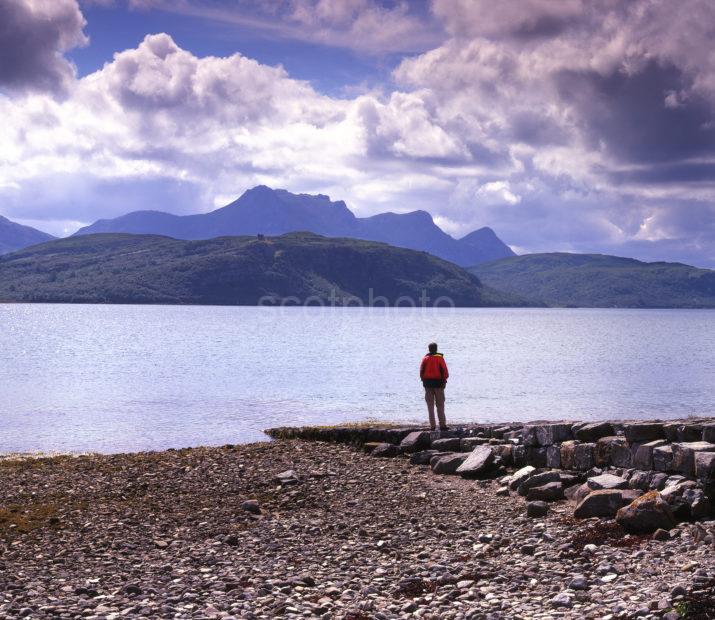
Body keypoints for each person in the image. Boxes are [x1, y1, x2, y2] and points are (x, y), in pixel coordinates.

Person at [420, 342, 449, 431]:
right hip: (439, 384)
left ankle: (432, 426)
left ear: (429, 349)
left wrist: (423, 380)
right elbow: (445, 372)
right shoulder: (440, 358)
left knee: (430, 406)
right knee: (440, 405)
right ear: (436, 349)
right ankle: (442, 425)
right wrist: (444, 380)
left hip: (428, 385)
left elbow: (421, 371)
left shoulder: (425, 358)